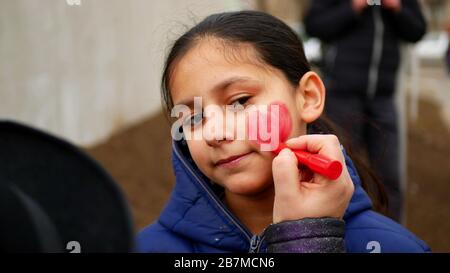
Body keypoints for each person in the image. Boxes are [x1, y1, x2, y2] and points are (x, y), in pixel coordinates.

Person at [137, 10, 429, 253]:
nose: (214, 133)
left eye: (240, 101)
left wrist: (308, 240)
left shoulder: (394, 246)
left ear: (308, 97)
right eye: (193, 118)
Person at [304, 0, 427, 222]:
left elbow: (417, 30)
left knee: (390, 176)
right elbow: (314, 25)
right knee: (340, 168)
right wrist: (353, 7)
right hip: (342, 96)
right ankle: (340, 230)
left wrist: (397, 8)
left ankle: (391, 233)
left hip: (383, 97)